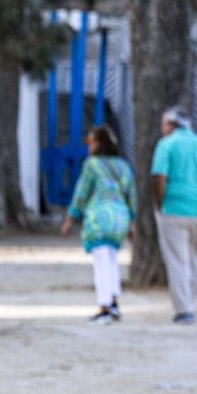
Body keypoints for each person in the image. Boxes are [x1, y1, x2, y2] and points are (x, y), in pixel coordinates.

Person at [151, 107, 197, 324]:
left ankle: (183, 309)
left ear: (171, 125)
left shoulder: (166, 145)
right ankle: (190, 302)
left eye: (164, 124)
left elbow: (160, 176)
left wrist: (159, 202)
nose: (162, 129)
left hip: (174, 209)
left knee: (177, 260)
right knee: (196, 258)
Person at [62, 125, 136, 324]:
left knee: (102, 262)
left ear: (99, 144)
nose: (88, 146)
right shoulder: (123, 166)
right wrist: (133, 221)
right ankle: (114, 302)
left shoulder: (92, 165)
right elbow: (131, 195)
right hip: (121, 217)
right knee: (112, 260)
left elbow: (81, 193)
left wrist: (70, 218)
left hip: (100, 219)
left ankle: (105, 307)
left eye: (90, 142)